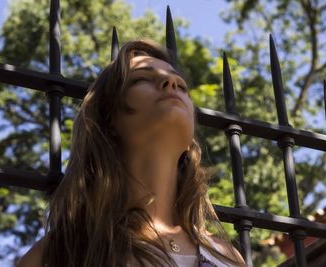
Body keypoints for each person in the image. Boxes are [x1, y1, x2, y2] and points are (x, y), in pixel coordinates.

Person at [17, 39, 246, 267]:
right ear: (108, 120)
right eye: (142, 79)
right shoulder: (58, 253)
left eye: (182, 85)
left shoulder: (228, 256)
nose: (172, 81)